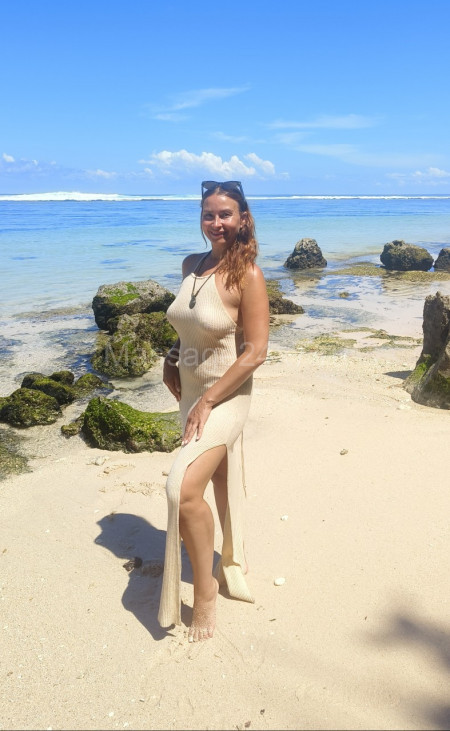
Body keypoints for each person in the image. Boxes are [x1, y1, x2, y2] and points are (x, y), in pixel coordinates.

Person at [158, 180, 269, 642]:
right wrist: (172, 359)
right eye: (209, 214)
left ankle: (205, 592)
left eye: (226, 214)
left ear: (243, 219)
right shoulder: (191, 265)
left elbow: (256, 351)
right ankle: (231, 557)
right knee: (220, 476)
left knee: (182, 489)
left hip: (227, 395)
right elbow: (189, 326)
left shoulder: (249, 276)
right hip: (190, 391)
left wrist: (207, 401)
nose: (216, 222)